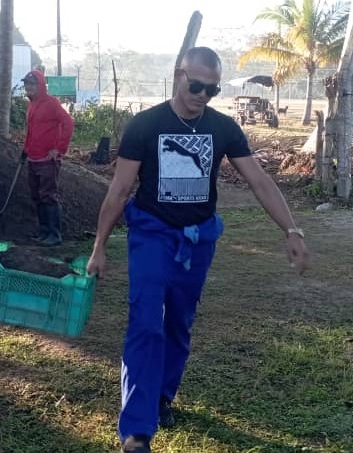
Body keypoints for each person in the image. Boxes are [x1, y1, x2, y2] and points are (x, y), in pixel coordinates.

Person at [86, 47, 309, 453]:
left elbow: (259, 181)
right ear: (179, 76)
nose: (203, 95)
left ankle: (162, 396)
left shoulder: (223, 128)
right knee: (146, 323)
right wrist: (99, 247)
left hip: (198, 241)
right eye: (196, 86)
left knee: (178, 324)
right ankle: (137, 430)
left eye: (212, 89)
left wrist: (291, 229)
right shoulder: (145, 125)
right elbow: (119, 191)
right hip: (152, 236)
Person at [22, 69, 74, 246]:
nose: (28, 88)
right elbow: (31, 130)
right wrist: (25, 149)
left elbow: (68, 123)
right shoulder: (31, 105)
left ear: (40, 85)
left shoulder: (51, 103)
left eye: (32, 84)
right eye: (27, 84)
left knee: (48, 195)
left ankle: (54, 234)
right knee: (36, 196)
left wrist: (59, 149)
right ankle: (43, 232)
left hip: (47, 160)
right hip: (33, 158)